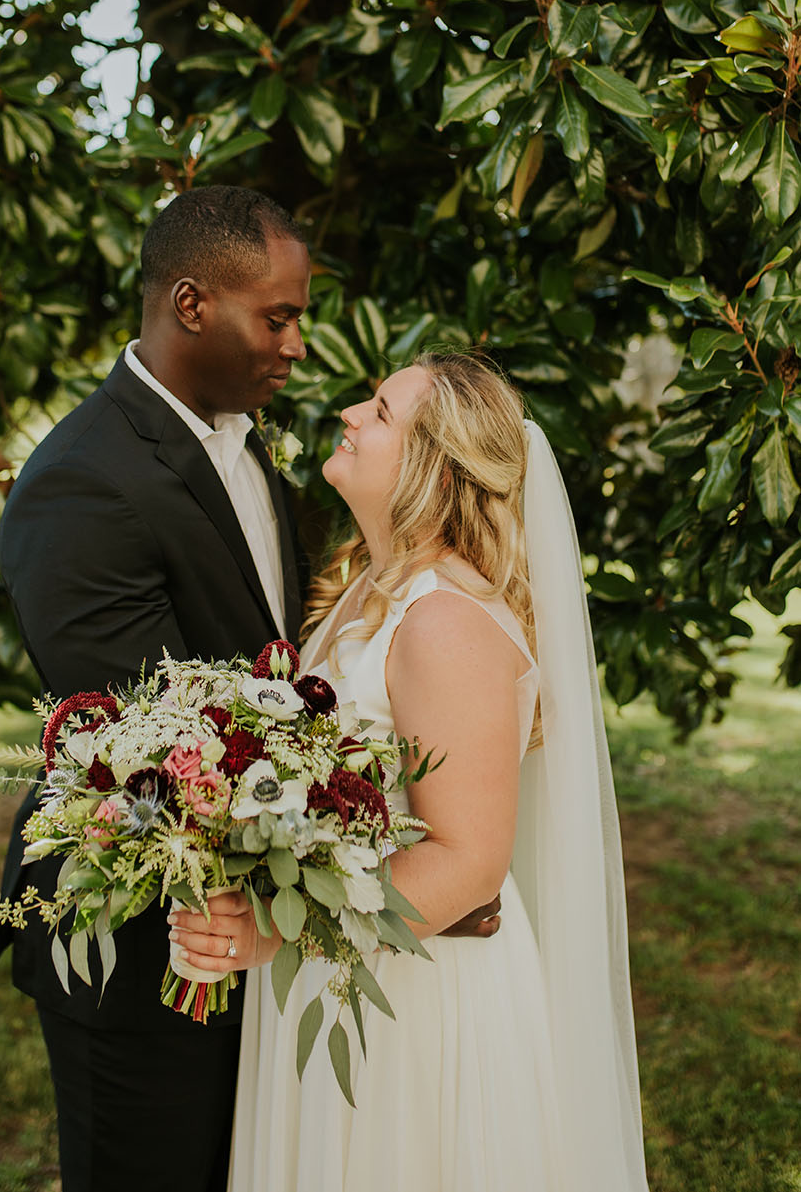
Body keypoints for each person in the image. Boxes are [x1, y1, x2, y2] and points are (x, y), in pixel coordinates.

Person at [0, 188, 499, 1192]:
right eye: (278, 316)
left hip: (260, 939)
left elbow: (283, 683)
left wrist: (424, 865)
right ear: (189, 304)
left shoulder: (244, 438)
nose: (297, 345)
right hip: (143, 942)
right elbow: (162, 748)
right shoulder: (80, 482)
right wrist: (405, 877)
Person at [171, 353, 651, 1191]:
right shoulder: (368, 590)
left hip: (412, 1000)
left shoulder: (443, 621)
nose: (352, 412)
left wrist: (272, 929)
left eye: (382, 411)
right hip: (340, 970)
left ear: (434, 466)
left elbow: (468, 861)